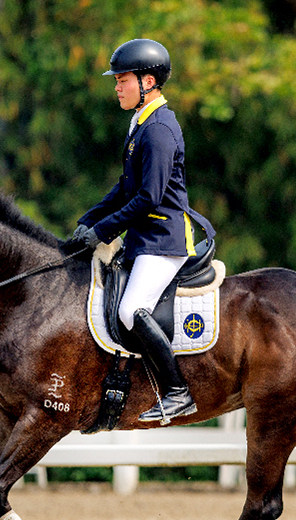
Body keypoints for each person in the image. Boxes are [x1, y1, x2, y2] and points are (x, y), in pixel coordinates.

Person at [62, 38, 216, 423]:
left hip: (163, 241)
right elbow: (123, 187)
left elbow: (148, 197)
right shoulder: (141, 122)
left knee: (132, 310)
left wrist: (102, 231)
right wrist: (88, 220)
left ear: (148, 81)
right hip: (143, 240)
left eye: (122, 79)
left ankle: (178, 391)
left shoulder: (160, 128)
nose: (116, 86)